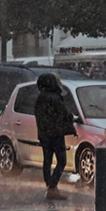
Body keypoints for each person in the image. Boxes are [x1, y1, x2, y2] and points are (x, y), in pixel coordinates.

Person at [33, 73, 75, 201]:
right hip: (56, 134)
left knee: (47, 160)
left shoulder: (40, 98)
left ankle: (50, 187)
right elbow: (64, 114)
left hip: (44, 134)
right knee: (61, 161)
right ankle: (52, 187)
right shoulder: (55, 98)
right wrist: (70, 117)